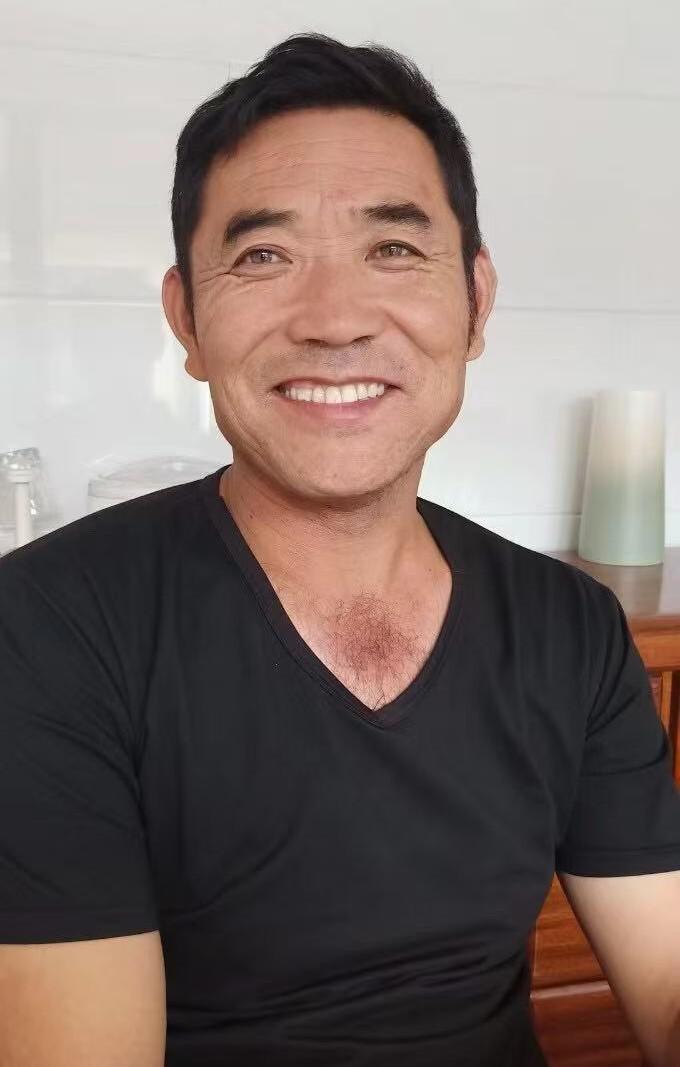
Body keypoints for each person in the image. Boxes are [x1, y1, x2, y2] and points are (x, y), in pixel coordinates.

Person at [1, 31, 679, 1067]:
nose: (333, 319)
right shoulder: (46, 629)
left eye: (393, 248)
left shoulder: (568, 627)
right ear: (187, 319)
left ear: (475, 302)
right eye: (262, 256)